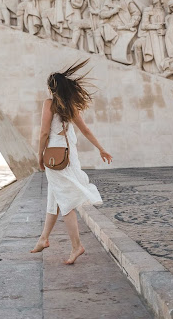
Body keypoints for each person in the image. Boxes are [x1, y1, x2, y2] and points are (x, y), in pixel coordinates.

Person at [30, 61, 113, 264]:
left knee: (65, 201)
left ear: (51, 88)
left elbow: (43, 132)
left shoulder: (49, 104)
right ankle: (43, 238)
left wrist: (39, 155)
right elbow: (85, 130)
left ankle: (77, 246)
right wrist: (101, 148)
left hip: (55, 157)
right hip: (70, 156)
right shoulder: (70, 106)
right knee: (55, 196)